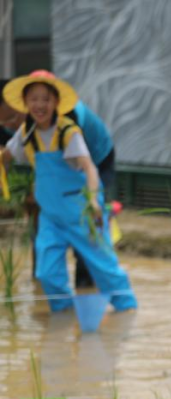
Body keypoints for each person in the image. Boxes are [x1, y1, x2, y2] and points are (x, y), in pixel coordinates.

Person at [0, 71, 136, 314]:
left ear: (55, 103)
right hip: (50, 218)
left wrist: (94, 199)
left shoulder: (68, 132)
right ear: (25, 103)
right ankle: (63, 320)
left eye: (46, 99)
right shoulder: (25, 133)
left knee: (104, 269)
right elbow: (7, 157)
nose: (40, 105)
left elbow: (90, 168)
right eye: (34, 99)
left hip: (80, 211)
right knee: (47, 272)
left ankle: (127, 312)